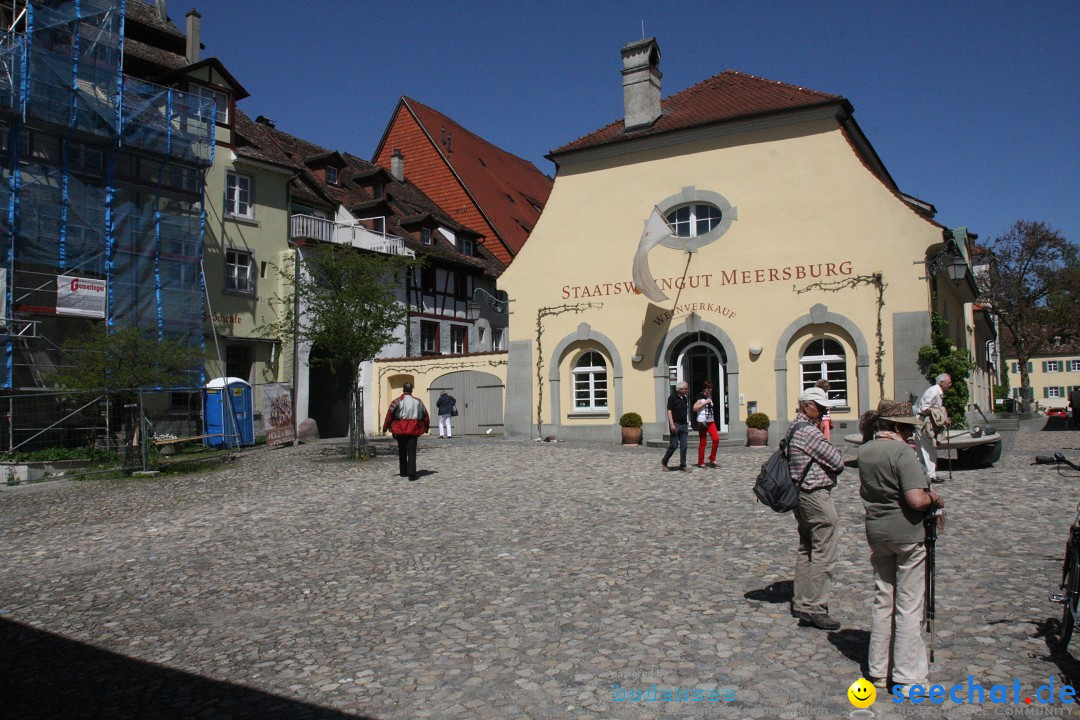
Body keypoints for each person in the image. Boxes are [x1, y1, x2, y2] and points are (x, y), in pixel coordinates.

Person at [857, 399, 945, 690]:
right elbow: (916, 499)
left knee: (883, 600)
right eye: (907, 428)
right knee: (909, 605)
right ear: (895, 426)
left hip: (877, 531)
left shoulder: (865, 450)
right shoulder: (902, 452)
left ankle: (879, 669)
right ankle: (908, 676)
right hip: (907, 533)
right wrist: (936, 499)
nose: (910, 434)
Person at [788, 386, 846, 630]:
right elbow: (837, 461)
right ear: (806, 406)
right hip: (814, 495)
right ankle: (815, 606)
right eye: (820, 408)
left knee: (807, 547)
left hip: (800, 494)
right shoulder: (808, 433)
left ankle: (802, 600)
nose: (823, 413)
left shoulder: (794, 427)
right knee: (824, 550)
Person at [382, 382, 430, 481]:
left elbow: (389, 415)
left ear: (403, 390)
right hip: (414, 430)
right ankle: (412, 473)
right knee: (412, 452)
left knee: (402, 451)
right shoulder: (418, 402)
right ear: (411, 390)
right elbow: (425, 415)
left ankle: (403, 471)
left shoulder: (396, 401)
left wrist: (385, 427)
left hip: (400, 430)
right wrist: (426, 427)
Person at [913, 374, 951, 483]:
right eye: (948, 382)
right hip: (924, 423)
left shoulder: (937, 391)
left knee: (920, 451)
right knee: (929, 449)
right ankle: (931, 475)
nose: (950, 385)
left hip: (926, 422)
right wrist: (941, 414)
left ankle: (916, 473)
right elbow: (924, 408)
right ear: (941, 382)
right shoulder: (933, 391)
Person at [661, 381, 690, 471]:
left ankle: (683, 465)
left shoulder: (684, 398)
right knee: (674, 445)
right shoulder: (672, 398)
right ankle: (664, 461)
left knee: (684, 446)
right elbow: (669, 411)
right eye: (686, 389)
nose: (687, 390)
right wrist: (672, 424)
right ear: (680, 389)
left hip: (684, 425)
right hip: (675, 425)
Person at [693, 381, 719, 468]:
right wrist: (704, 402)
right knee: (703, 441)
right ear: (705, 388)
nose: (710, 390)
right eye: (709, 388)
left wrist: (709, 401)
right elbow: (694, 408)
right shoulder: (699, 397)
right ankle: (701, 461)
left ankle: (712, 457)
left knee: (716, 439)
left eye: (711, 388)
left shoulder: (709, 396)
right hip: (702, 421)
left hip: (711, 421)